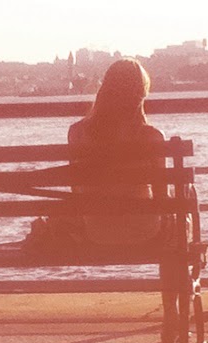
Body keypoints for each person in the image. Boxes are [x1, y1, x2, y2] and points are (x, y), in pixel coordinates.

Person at [65, 58, 168, 245]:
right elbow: (161, 197)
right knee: (186, 193)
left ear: (105, 89)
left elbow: (77, 191)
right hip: (145, 231)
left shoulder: (77, 132)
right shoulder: (152, 137)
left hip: (96, 231)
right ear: (141, 94)